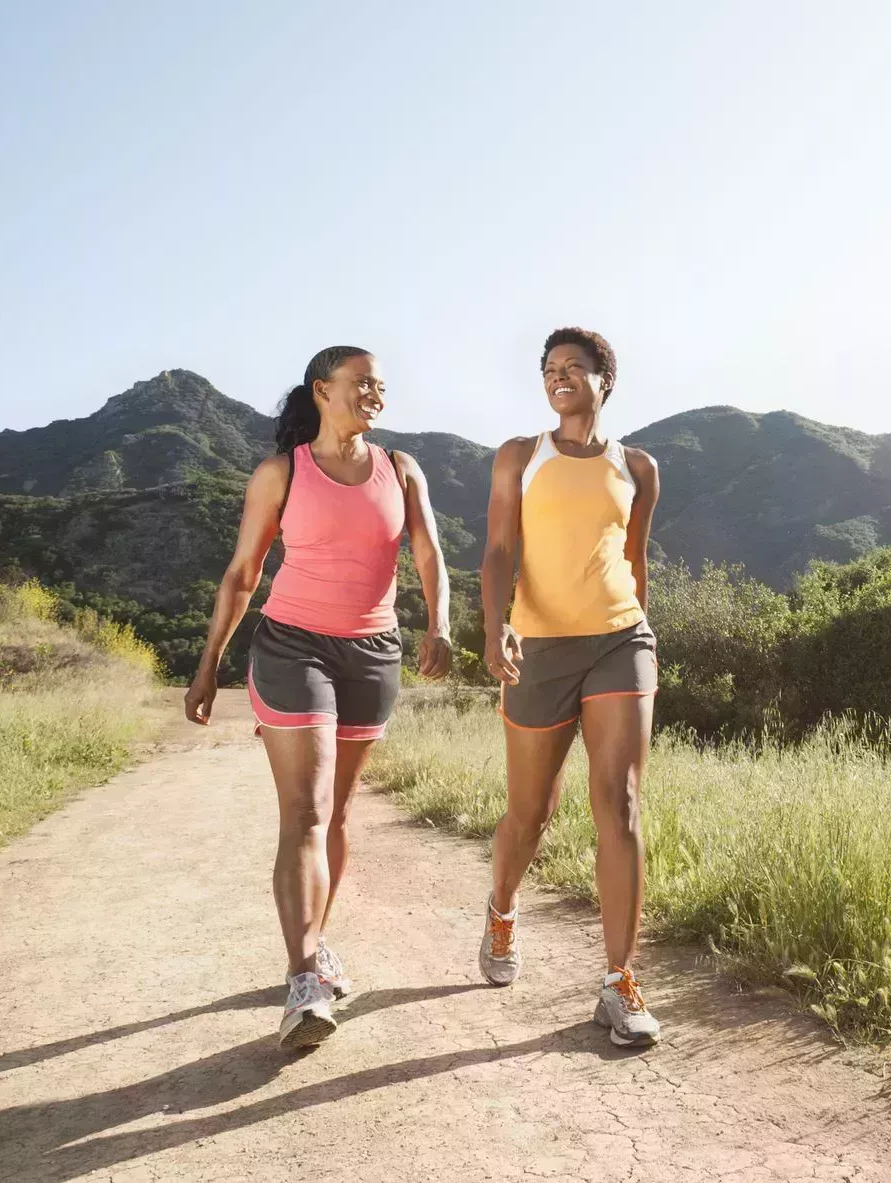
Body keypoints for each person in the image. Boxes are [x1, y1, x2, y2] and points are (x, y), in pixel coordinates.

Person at [184, 346, 452, 1051]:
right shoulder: (282, 473)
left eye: (380, 386)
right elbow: (243, 572)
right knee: (303, 810)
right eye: (362, 382)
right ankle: (304, 976)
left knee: (336, 813)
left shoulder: (400, 468)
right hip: (291, 644)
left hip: (372, 650)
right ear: (322, 389)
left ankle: (315, 941)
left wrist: (441, 624)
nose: (375, 394)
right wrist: (208, 663)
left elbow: (427, 552)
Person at [478, 327, 661, 1047]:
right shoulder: (519, 457)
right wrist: (494, 627)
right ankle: (500, 906)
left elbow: (635, 560)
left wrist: (642, 629)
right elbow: (496, 550)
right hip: (538, 645)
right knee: (529, 814)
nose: (558, 378)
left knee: (618, 801)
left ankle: (618, 981)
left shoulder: (638, 466)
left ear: (603, 380)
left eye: (573, 368)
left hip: (620, 638)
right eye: (549, 369)